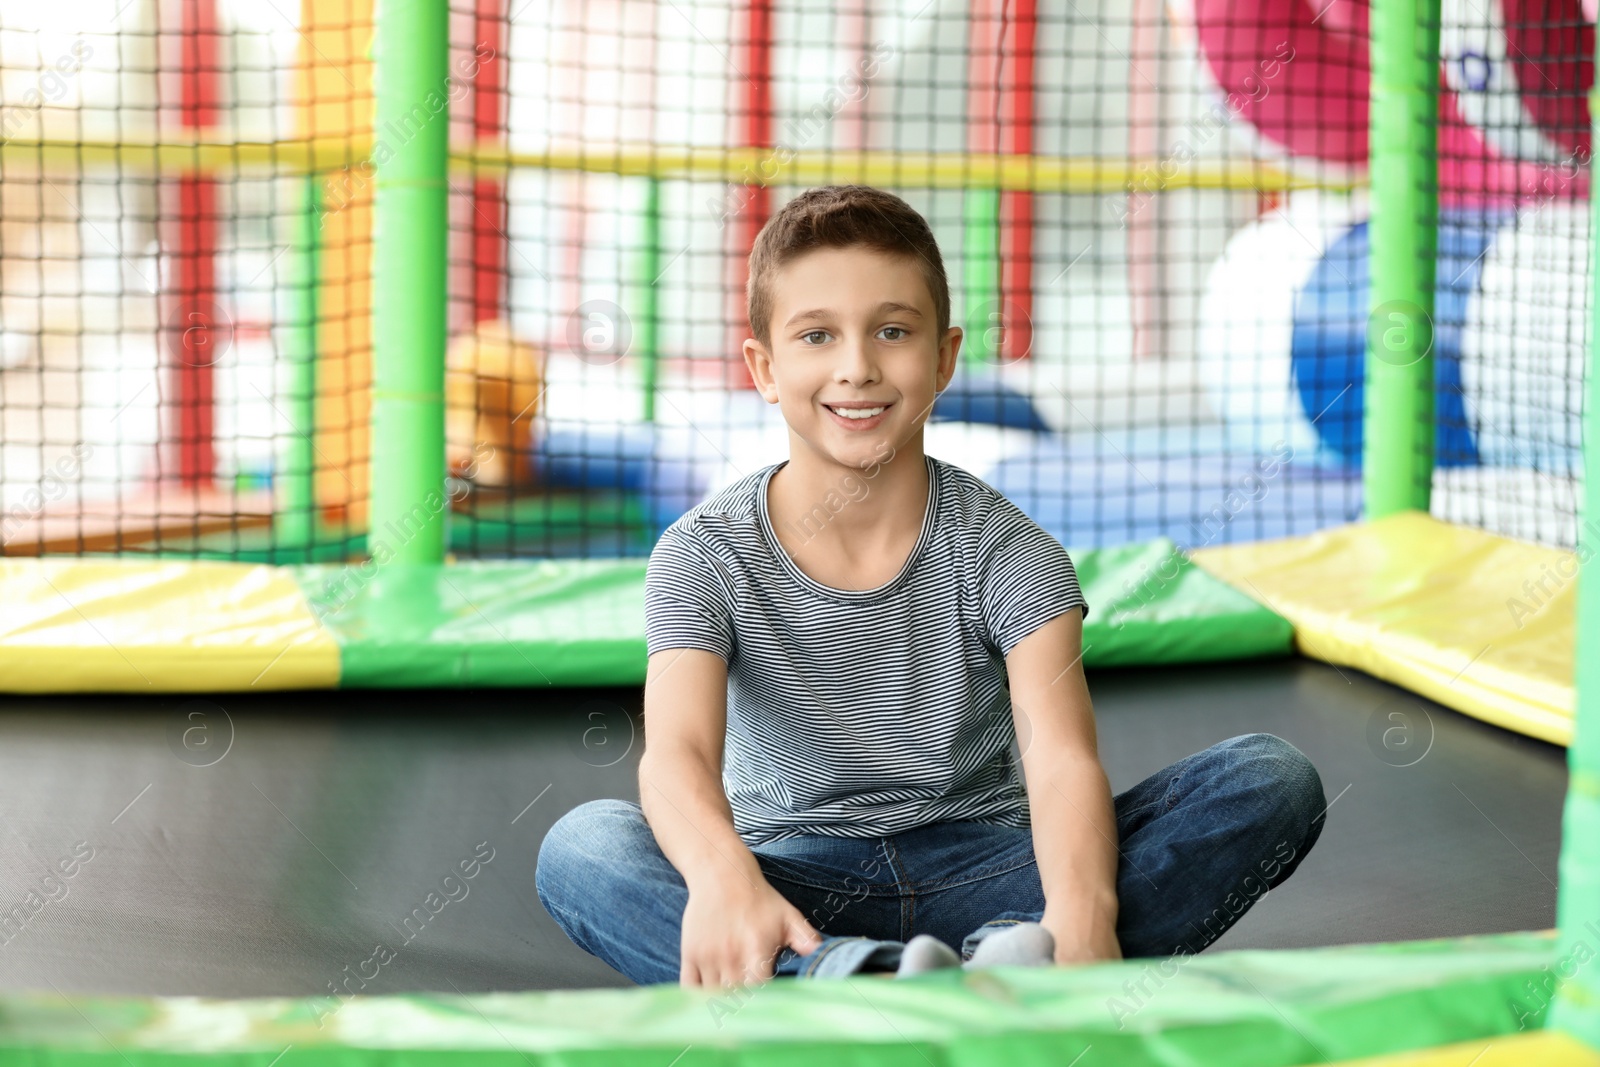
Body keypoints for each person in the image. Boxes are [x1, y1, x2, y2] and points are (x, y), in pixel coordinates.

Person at [535, 184, 1326, 988]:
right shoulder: (702, 553)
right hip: (796, 884)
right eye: (818, 335)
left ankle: (998, 959)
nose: (858, 367)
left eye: (892, 331)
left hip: (992, 865)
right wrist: (723, 877)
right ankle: (866, 976)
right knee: (583, 845)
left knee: (1269, 777)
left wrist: (1082, 916)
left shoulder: (1009, 550)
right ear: (766, 368)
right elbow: (678, 756)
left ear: (943, 357)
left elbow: (1060, 759)